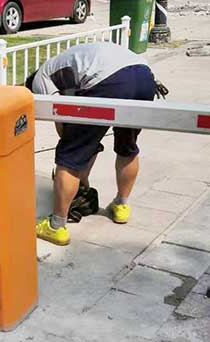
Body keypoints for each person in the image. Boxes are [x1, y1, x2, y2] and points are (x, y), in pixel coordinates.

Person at [25, 42, 157, 246]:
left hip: (109, 81)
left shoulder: (39, 80)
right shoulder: (64, 68)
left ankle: (56, 226)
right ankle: (121, 206)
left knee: (69, 155)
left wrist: (76, 159)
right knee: (127, 145)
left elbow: (61, 120)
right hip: (144, 77)